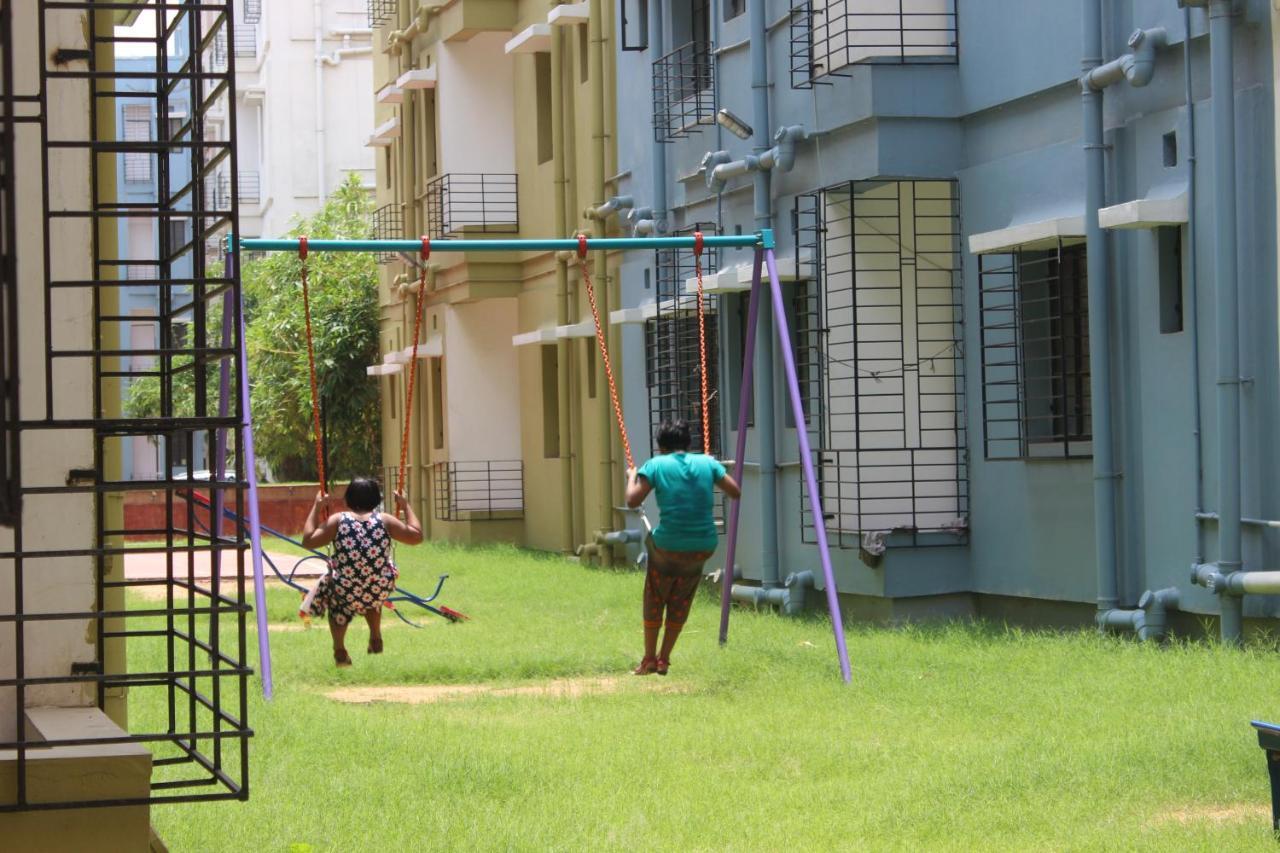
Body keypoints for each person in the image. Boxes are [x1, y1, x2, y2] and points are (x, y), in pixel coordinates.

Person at [625, 419, 740, 676]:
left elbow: (632, 500)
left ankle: (649, 659)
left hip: (667, 548)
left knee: (656, 596)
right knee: (681, 598)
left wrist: (633, 476)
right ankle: (664, 658)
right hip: (703, 547)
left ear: (661, 445)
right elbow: (735, 492)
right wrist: (713, 469)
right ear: (688, 443)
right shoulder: (707, 463)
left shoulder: (656, 465)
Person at [301, 477, 424, 667]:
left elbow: (308, 541)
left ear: (348, 499)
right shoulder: (385, 520)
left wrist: (316, 507)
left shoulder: (338, 520)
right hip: (379, 587)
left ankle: (339, 649)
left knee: (338, 601)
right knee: (371, 590)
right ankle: (375, 636)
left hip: (346, 590)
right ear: (376, 499)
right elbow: (416, 537)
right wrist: (405, 505)